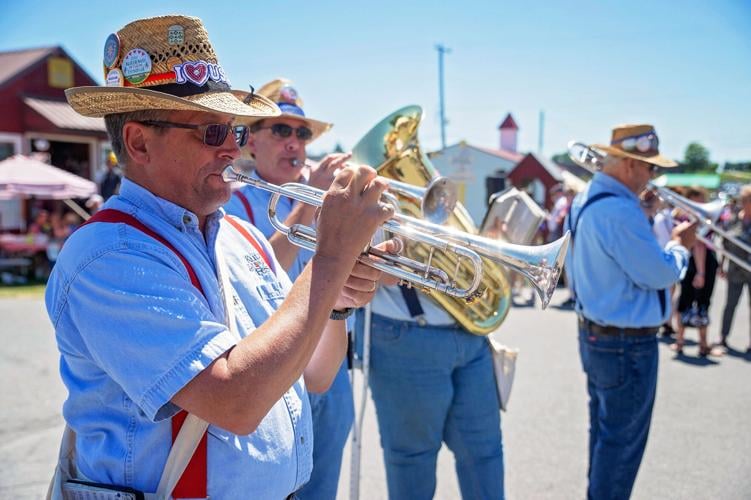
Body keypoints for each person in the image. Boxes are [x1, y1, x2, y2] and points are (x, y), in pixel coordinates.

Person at [45, 15, 394, 498]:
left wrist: (337, 298)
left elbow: (315, 372)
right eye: (212, 131)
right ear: (139, 141)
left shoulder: (244, 238)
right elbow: (235, 399)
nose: (233, 148)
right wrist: (330, 259)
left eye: (234, 129)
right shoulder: (105, 255)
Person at [224, 78, 354, 500]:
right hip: (272, 370)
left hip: (328, 370)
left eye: (302, 134)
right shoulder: (234, 203)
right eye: (281, 130)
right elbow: (257, 273)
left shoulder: (328, 201)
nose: (294, 143)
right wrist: (309, 202)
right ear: (252, 143)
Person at [564, 124, 695, 500]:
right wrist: (678, 246)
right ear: (628, 167)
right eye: (649, 168)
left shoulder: (588, 197)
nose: (653, 176)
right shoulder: (620, 210)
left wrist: (646, 217)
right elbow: (659, 273)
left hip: (596, 335)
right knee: (621, 448)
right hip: (627, 344)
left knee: (605, 438)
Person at [360, 202, 505, 494]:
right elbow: (375, 272)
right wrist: (407, 247)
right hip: (407, 337)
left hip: (470, 335)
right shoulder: (373, 192)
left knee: (485, 452)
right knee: (413, 459)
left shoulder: (439, 188)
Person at [672, 187, 720, 356]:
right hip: (697, 262)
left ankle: (693, 342)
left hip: (701, 261)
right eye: (695, 200)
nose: (699, 204)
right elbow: (699, 245)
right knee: (690, 300)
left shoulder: (698, 218)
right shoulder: (688, 219)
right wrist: (700, 272)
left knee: (700, 302)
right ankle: (688, 341)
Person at [717, 184, 751, 352]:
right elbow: (724, 242)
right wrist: (721, 265)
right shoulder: (733, 220)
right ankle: (723, 337)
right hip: (735, 269)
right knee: (730, 304)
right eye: (745, 201)